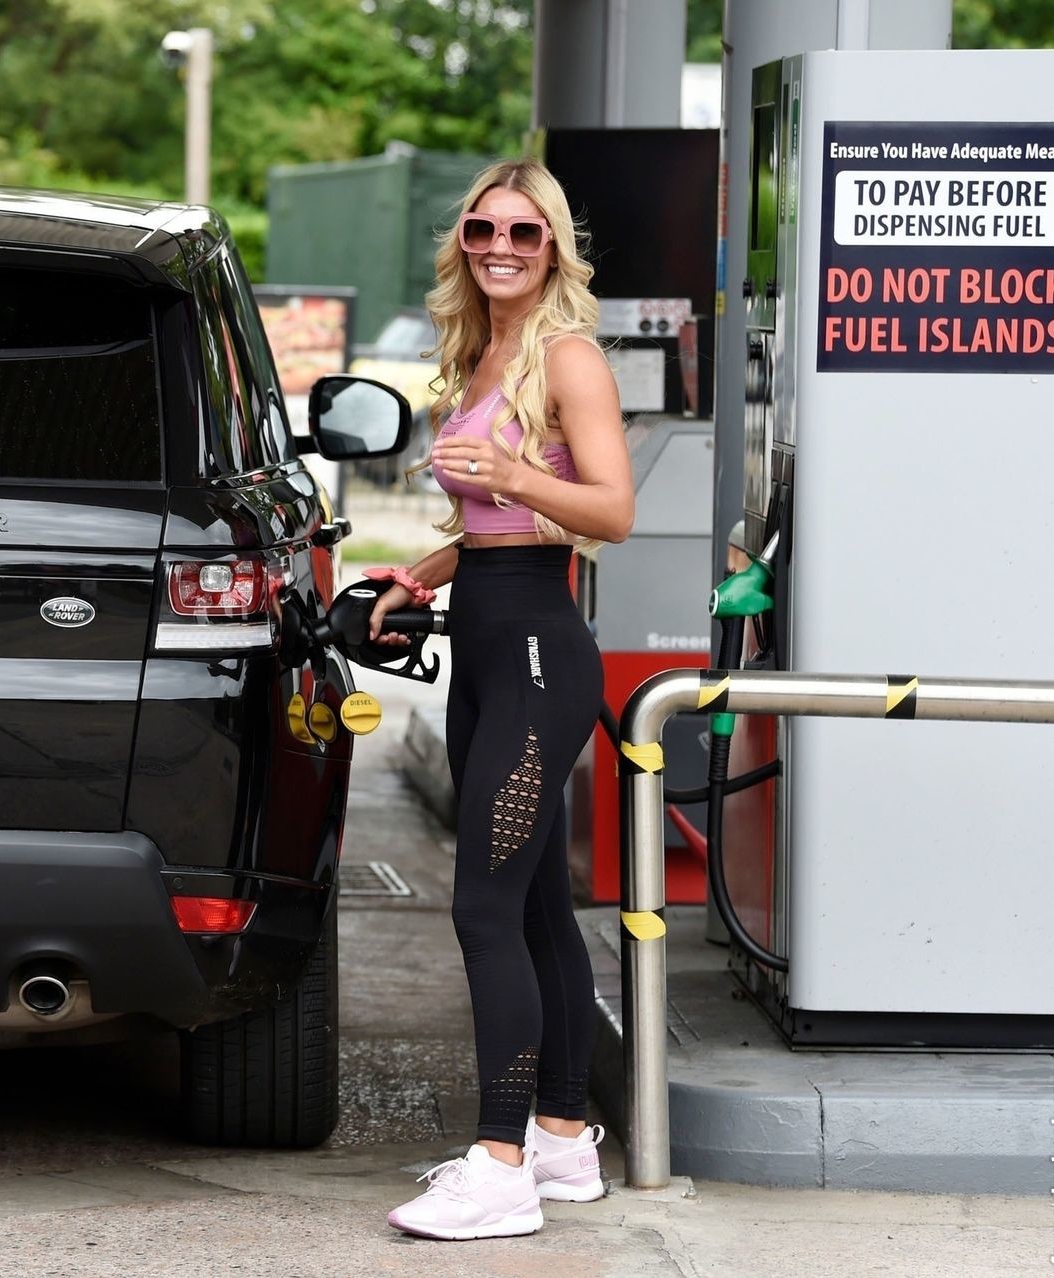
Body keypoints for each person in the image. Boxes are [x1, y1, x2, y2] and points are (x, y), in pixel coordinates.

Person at [368, 158, 635, 1242]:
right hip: (485, 639)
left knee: (482, 907)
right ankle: (564, 1139)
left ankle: (500, 1164)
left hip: (534, 655)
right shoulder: (481, 351)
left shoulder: (569, 357)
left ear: (553, 246)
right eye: (484, 229)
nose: (501, 248)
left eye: (525, 233)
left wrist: (517, 475)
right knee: (530, 907)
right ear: (465, 242)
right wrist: (419, 576)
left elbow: (611, 511)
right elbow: (487, 529)